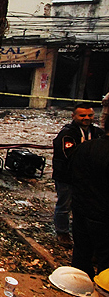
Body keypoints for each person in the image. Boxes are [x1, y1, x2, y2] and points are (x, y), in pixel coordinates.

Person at [52, 103, 104, 247]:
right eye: (82, 115)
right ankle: (62, 232)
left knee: (84, 206)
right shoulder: (67, 134)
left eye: (90, 115)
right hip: (67, 178)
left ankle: (81, 233)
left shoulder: (97, 133)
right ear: (73, 116)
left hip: (88, 179)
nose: (86, 118)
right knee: (64, 205)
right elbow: (69, 156)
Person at [68, 113, 109, 280]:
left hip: (82, 211)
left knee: (81, 254)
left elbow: (71, 175)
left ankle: (78, 286)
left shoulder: (85, 148)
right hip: (104, 217)